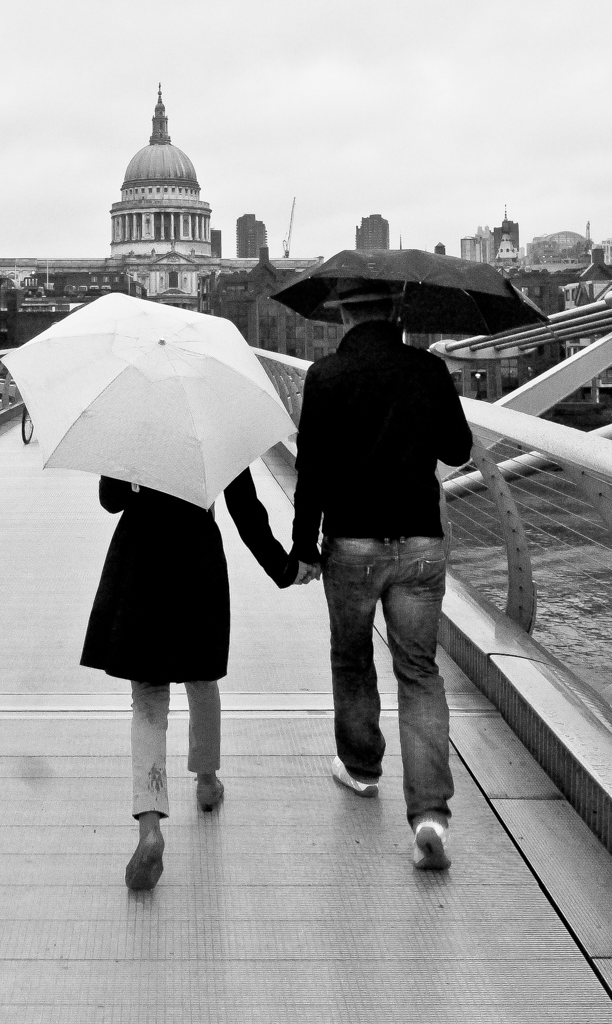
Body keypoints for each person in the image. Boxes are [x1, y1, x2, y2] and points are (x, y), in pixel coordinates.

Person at [290, 286, 473, 870]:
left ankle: (363, 769)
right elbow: (459, 448)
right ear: (395, 312)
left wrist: (302, 548)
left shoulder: (325, 376)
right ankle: (430, 816)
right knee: (419, 672)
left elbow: (311, 472)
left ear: (343, 313)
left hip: (351, 543)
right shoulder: (429, 369)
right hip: (420, 541)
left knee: (351, 658)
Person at [81, 469, 307, 890]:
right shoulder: (213, 417)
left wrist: (134, 478)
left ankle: (150, 826)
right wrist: (285, 566)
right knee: (202, 678)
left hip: (140, 560)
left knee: (148, 699)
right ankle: (206, 782)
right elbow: (245, 509)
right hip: (197, 559)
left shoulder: (134, 422)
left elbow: (111, 500)